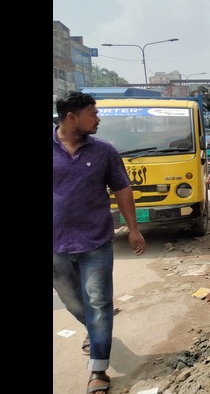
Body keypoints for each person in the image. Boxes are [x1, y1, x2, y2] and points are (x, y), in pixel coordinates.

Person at [53, 91, 147, 394]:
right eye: (92, 113)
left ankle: (98, 370)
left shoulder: (104, 151)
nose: (98, 118)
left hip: (96, 241)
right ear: (71, 117)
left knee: (98, 303)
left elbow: (122, 189)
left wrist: (133, 229)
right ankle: (93, 330)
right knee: (73, 302)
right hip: (55, 245)